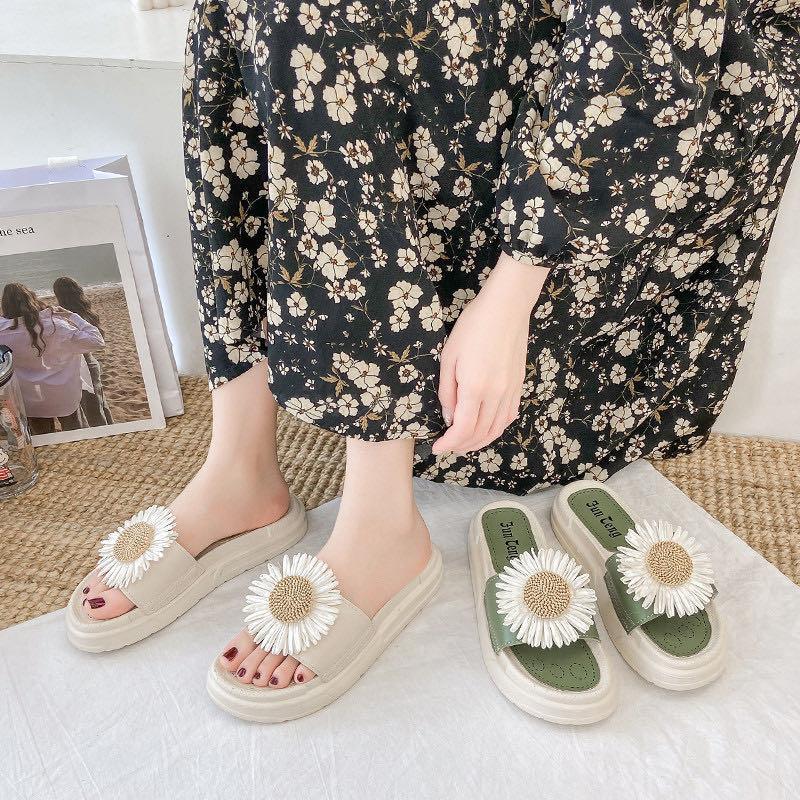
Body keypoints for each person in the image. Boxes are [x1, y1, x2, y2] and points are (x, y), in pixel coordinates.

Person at [77, 0, 799, 697]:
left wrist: (514, 287)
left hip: (659, 60)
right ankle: (240, 461)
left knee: (321, 13)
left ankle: (381, 521)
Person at [0, 283, 105, 434]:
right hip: (63, 394)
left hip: (30, 398)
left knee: (45, 439)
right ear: (32, 299)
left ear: (5, 305)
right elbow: (97, 341)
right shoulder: (55, 325)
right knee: (76, 433)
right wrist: (72, 316)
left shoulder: (2, 332)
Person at [52, 277, 114, 427]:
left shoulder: (66, 316)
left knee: (93, 409)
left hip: (80, 367)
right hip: (91, 363)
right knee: (100, 404)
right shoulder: (85, 312)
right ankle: (111, 429)